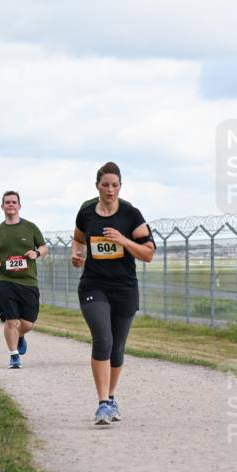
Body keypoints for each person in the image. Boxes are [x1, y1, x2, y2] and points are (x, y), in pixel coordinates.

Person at [72, 162, 155, 425]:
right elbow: (78, 238)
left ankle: (111, 396)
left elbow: (149, 254)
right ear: (97, 186)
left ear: (120, 187)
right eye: (105, 184)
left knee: (117, 348)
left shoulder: (131, 215)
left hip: (124, 288)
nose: (110, 189)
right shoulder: (86, 213)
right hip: (93, 285)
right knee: (103, 340)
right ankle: (103, 404)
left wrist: (124, 240)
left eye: (115, 185)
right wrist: (77, 254)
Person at [0, 190, 47, 369]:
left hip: (28, 281)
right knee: (11, 321)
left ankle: (19, 336)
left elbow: (43, 246)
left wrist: (37, 253)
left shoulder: (30, 227)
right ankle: (14, 356)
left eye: (14, 202)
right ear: (2, 206)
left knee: (27, 323)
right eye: (7, 202)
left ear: (19, 205)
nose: (11, 205)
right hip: (6, 281)